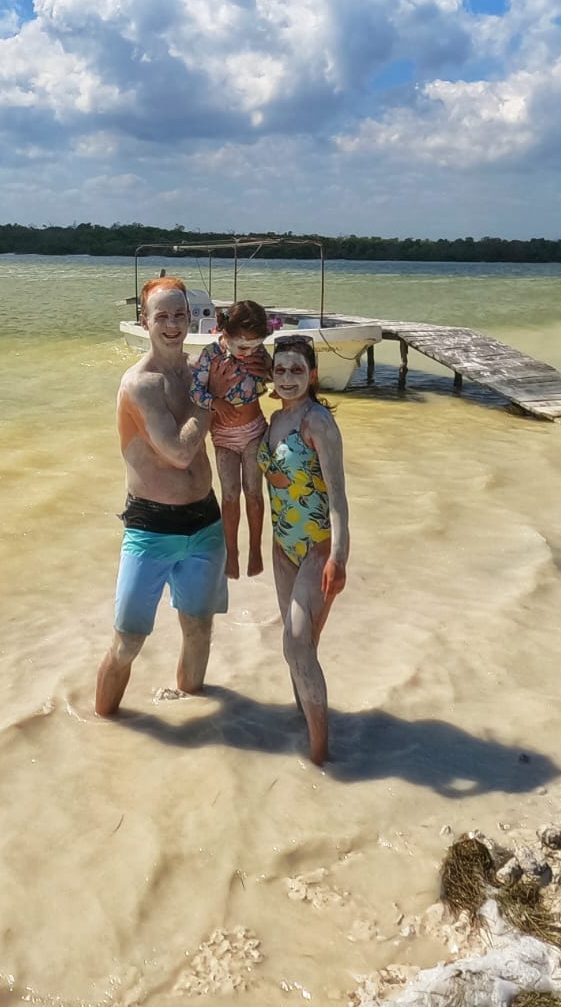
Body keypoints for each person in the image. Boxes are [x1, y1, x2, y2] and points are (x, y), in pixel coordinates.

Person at [96, 277, 227, 717]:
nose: (172, 325)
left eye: (179, 315)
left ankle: (194, 712)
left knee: (199, 630)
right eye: (162, 316)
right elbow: (178, 452)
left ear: (190, 318)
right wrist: (208, 397)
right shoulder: (141, 384)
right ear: (145, 321)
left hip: (205, 523)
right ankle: (104, 728)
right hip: (150, 528)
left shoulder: (199, 371)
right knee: (128, 642)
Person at [257, 334, 349, 764]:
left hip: (316, 548)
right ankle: (304, 723)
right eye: (280, 370)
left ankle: (320, 754)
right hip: (282, 547)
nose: (288, 378)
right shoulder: (274, 419)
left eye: (297, 370)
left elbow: (338, 497)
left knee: (296, 644)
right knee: (300, 647)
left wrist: (339, 558)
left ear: (312, 375)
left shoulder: (318, 422)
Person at [191, 299, 274, 579]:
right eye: (242, 346)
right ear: (225, 333)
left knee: (253, 492)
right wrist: (214, 401)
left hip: (254, 431)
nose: (248, 352)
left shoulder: (258, 354)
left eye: (256, 345)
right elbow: (195, 391)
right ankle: (232, 552)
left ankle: (255, 549)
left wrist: (269, 369)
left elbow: (275, 378)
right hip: (223, 437)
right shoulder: (210, 355)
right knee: (229, 496)